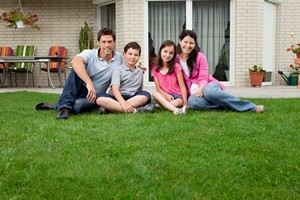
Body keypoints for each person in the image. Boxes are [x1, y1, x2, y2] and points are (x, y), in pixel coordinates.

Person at [35, 28, 123, 119]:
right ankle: (64, 108)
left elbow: (128, 67)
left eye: (110, 42)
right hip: (78, 87)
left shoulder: (119, 58)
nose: (107, 45)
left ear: (114, 42)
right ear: (98, 43)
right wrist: (89, 83)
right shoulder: (89, 53)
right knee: (77, 68)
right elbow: (75, 62)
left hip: (94, 96)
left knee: (77, 106)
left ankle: (57, 105)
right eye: (104, 42)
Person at [175, 29, 264, 113]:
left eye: (191, 43)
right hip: (194, 93)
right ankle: (225, 105)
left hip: (208, 85)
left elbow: (203, 76)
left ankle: (250, 107)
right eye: (185, 42)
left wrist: (201, 88)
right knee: (193, 102)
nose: (188, 45)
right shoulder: (176, 60)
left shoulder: (200, 57)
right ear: (180, 42)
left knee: (209, 92)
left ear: (194, 44)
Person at [96, 42, 153, 114]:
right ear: (124, 54)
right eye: (130, 54)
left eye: (136, 55)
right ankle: (135, 110)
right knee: (99, 98)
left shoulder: (140, 72)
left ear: (139, 57)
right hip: (116, 98)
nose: (133, 57)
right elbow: (115, 89)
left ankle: (111, 109)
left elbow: (140, 90)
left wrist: (137, 99)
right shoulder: (118, 70)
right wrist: (123, 103)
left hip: (132, 97)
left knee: (146, 95)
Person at [151, 40, 188, 115]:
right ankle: (176, 110)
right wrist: (166, 95)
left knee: (174, 103)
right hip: (164, 96)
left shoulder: (176, 67)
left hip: (177, 97)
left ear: (174, 55)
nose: (167, 55)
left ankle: (164, 105)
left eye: (171, 53)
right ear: (160, 51)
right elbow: (158, 88)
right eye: (165, 51)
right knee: (155, 94)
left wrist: (185, 103)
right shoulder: (155, 69)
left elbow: (182, 86)